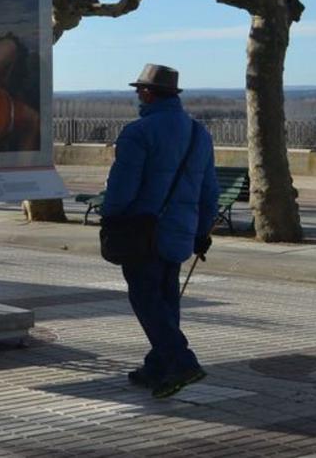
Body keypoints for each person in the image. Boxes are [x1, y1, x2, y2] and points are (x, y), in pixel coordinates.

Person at [101, 64, 219, 399]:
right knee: (166, 300)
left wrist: (110, 215)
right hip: (180, 232)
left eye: (140, 90)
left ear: (149, 94)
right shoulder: (199, 134)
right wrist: (201, 231)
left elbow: (122, 189)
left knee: (146, 298)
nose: (138, 95)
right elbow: (208, 191)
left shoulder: (138, 133)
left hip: (143, 230)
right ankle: (157, 366)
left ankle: (182, 361)